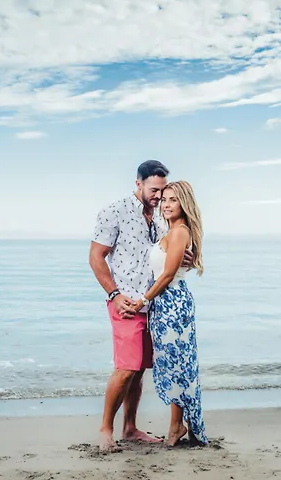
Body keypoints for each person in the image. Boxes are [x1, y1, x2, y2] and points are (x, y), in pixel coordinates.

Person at [89, 161, 194, 452]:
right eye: (154, 190)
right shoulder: (115, 211)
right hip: (125, 303)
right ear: (138, 184)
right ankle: (106, 429)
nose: (159, 197)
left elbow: (169, 249)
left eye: (163, 191)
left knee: (138, 370)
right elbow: (96, 257)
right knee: (126, 368)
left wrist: (184, 258)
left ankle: (130, 427)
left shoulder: (162, 215)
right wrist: (114, 295)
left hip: (155, 305)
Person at [129, 180, 208, 446]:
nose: (166, 204)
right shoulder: (171, 231)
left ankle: (176, 426)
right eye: (164, 199)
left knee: (176, 365)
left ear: (184, 203)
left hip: (173, 303)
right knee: (173, 364)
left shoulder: (180, 232)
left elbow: (167, 275)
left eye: (173, 200)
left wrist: (142, 301)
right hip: (164, 304)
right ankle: (176, 424)